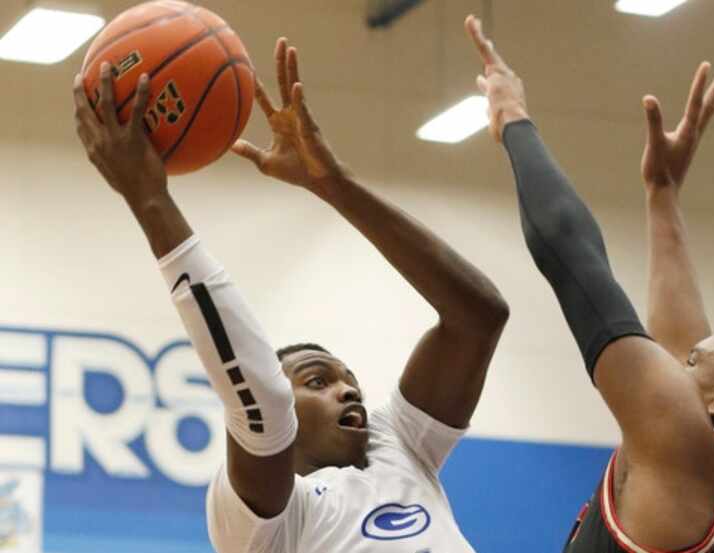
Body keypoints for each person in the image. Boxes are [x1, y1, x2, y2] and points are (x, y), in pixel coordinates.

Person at [73, 37, 508, 552]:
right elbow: (262, 398)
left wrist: (335, 185)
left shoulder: (398, 448)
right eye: (318, 381)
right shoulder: (263, 521)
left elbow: (477, 317)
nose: (349, 392)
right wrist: (150, 200)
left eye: (349, 383)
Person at [465, 14, 714, 553]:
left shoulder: (685, 448)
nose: (685, 353)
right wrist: (662, 193)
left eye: (700, 356)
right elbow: (678, 338)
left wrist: (513, 118)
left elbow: (570, 251)